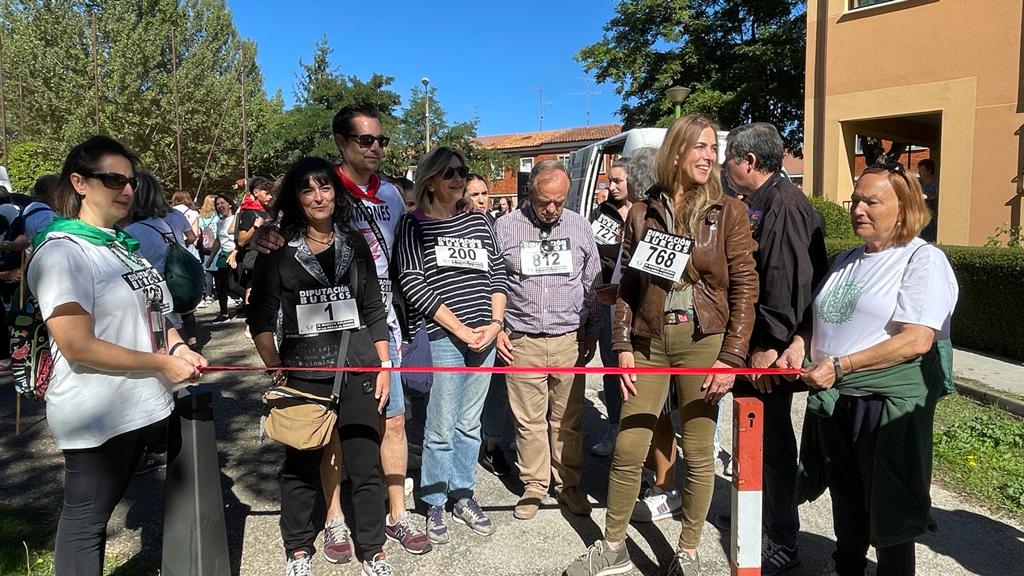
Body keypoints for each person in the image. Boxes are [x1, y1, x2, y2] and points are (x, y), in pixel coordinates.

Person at [564, 115, 758, 576]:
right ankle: (613, 547)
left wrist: (731, 356)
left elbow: (745, 287)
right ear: (676, 151)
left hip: (702, 340)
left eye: (714, 148)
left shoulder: (727, 212)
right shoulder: (640, 212)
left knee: (697, 450)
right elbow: (627, 285)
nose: (710, 156)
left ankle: (687, 553)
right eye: (701, 147)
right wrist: (623, 344)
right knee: (630, 446)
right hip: (649, 342)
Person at [252, 103, 432, 558]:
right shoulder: (310, 197)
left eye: (381, 140)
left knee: (389, 427)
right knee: (318, 439)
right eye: (365, 140)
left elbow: (389, 270)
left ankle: (394, 518)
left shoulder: (390, 195)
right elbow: (261, 304)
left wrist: (387, 354)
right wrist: (258, 238)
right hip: (310, 357)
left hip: (373, 336)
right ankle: (332, 520)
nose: (375, 148)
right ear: (342, 144)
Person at [30, 135, 206, 575]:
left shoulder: (120, 247)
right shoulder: (63, 251)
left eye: (130, 180)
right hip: (96, 411)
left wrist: (179, 346)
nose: (126, 189)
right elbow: (77, 345)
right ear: (80, 183)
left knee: (98, 515)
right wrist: (163, 364)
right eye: (112, 179)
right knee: (86, 524)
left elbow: (158, 316)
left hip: (138, 405)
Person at [778, 163, 958, 576]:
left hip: (883, 403)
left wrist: (841, 365)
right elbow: (821, 317)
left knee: (888, 503)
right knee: (846, 494)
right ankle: (848, 566)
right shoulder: (847, 259)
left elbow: (917, 340)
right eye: (856, 200)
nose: (858, 209)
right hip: (838, 394)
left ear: (904, 207)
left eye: (871, 201)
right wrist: (800, 344)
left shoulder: (922, 260)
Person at [247, 156, 395, 576]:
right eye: (308, 189)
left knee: (365, 465)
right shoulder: (279, 248)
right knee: (301, 465)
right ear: (296, 198)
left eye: (325, 187)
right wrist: (273, 365)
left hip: (358, 368)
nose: (318, 197)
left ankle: (373, 550)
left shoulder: (355, 242)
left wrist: (384, 365)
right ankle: (296, 547)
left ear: (336, 193)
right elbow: (260, 315)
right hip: (304, 371)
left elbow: (372, 308)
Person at [720, 122, 829, 575]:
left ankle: (783, 536)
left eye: (728, 158)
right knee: (755, 439)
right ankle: (756, 513)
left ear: (749, 162)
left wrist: (766, 345)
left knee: (773, 444)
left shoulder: (783, 205)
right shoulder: (760, 203)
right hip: (756, 344)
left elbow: (784, 285)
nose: (724, 167)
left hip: (770, 349)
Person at [395, 146, 508, 545]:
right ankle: (435, 500)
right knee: (440, 427)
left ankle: (463, 494)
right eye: (450, 173)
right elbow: (412, 284)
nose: (459, 179)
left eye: (462, 172)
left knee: (470, 424)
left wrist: (495, 325)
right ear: (430, 180)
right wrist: (460, 329)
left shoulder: (480, 224)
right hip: (446, 337)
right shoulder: (414, 225)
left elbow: (497, 277)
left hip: (485, 336)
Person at [495, 160, 601, 520]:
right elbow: (494, 283)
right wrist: (497, 330)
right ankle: (534, 485)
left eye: (559, 201)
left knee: (567, 419)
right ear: (530, 193)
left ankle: (568, 484)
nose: (552, 209)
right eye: (544, 202)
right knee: (527, 420)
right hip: (521, 337)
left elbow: (592, 283)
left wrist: (591, 330)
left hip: (567, 339)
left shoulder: (579, 226)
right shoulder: (505, 227)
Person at [590, 156, 636, 458]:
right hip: (609, 303)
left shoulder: (648, 213)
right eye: (609, 181)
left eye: (618, 181)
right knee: (611, 366)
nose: (612, 187)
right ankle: (615, 428)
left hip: (638, 305)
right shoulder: (600, 215)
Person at [124, 172, 202, 350]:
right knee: (182, 320)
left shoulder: (131, 231)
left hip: (156, 291)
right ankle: (192, 344)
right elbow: (190, 237)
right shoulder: (160, 222)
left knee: (166, 334)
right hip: (174, 280)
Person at [235, 176, 273, 336]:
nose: (270, 196)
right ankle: (251, 325)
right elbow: (241, 240)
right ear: (256, 193)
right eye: (267, 193)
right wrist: (255, 228)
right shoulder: (249, 213)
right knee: (252, 288)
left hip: (269, 257)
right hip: (254, 257)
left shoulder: (269, 211)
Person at [205, 193, 236, 322]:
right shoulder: (219, 222)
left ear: (229, 204)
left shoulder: (236, 218)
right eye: (217, 204)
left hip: (236, 253)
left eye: (222, 203)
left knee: (235, 285)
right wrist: (211, 258)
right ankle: (224, 313)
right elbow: (218, 240)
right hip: (224, 255)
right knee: (220, 285)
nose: (219, 206)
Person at [196, 195, 219, 307]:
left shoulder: (201, 217)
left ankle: (208, 295)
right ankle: (220, 294)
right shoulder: (218, 216)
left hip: (205, 247)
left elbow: (198, 233)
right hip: (217, 245)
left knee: (208, 272)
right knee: (219, 272)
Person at [917, 158, 938, 242]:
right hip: (920, 213)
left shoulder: (937, 182)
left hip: (933, 213)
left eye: (921, 170)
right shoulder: (918, 182)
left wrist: (926, 196)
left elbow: (937, 194)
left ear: (929, 171)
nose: (919, 172)